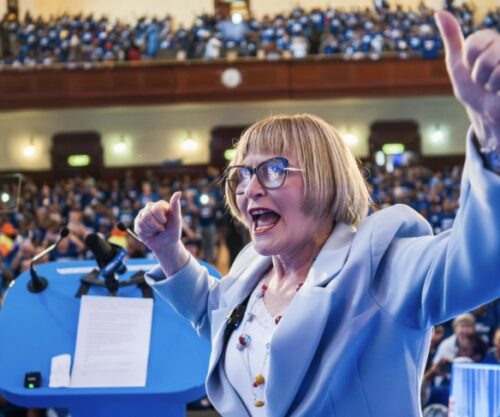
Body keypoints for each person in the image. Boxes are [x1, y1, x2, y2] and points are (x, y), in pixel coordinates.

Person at [134, 11, 500, 417]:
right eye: (242, 175)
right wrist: (168, 250)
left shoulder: (381, 263)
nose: (250, 189)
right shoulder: (251, 270)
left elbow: (482, 263)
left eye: (272, 170)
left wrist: (494, 143)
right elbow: (213, 312)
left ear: (325, 180)